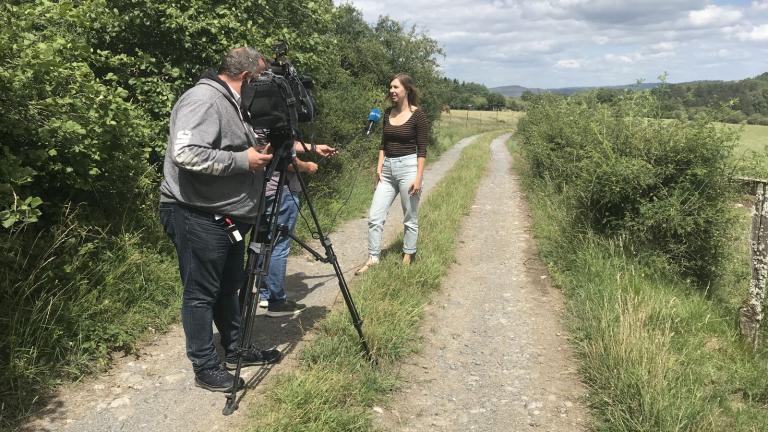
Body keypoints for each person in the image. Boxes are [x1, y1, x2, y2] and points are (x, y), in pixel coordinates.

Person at [158, 47, 282, 393]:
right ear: (246, 77)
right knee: (201, 292)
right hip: (194, 211)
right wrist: (242, 161)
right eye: (260, 79)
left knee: (228, 286)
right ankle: (204, 365)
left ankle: (235, 348)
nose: (262, 86)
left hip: (225, 214)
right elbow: (185, 153)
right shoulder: (204, 100)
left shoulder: (234, 103)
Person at [255, 136, 338, 317]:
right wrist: (307, 166)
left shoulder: (256, 116)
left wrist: (314, 147)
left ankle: (263, 293)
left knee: (263, 242)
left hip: (260, 191)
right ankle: (276, 301)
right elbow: (284, 159)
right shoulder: (275, 115)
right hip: (282, 191)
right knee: (279, 245)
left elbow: (283, 143)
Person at [356, 73, 428, 274]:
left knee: (409, 216)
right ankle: (373, 258)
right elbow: (383, 144)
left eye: (396, 87)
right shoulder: (387, 113)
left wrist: (419, 177)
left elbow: (422, 149)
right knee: (374, 216)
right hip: (387, 170)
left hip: (409, 169)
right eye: (390, 87)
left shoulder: (418, 115)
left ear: (407, 90)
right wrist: (379, 167)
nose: (392, 91)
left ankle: (408, 255)